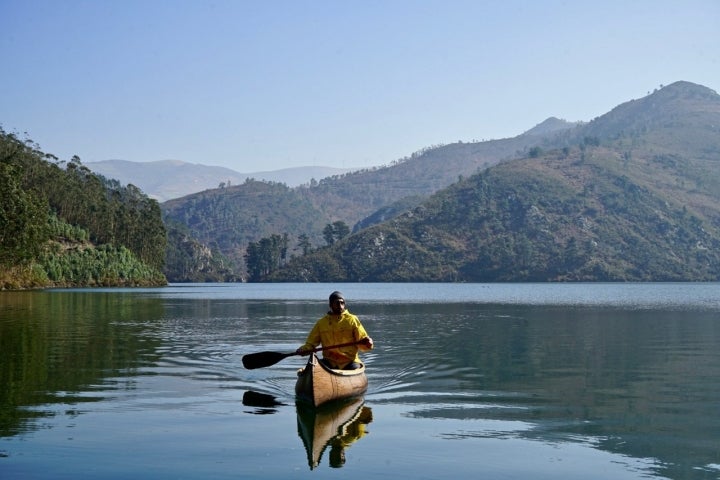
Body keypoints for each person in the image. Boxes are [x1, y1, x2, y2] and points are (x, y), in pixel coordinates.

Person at [296, 291, 373, 370]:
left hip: (349, 361)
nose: (340, 306)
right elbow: (311, 344)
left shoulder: (352, 320)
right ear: (330, 305)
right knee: (312, 367)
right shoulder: (322, 323)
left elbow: (362, 342)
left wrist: (368, 344)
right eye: (337, 303)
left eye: (342, 303)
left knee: (354, 368)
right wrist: (303, 350)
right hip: (329, 361)